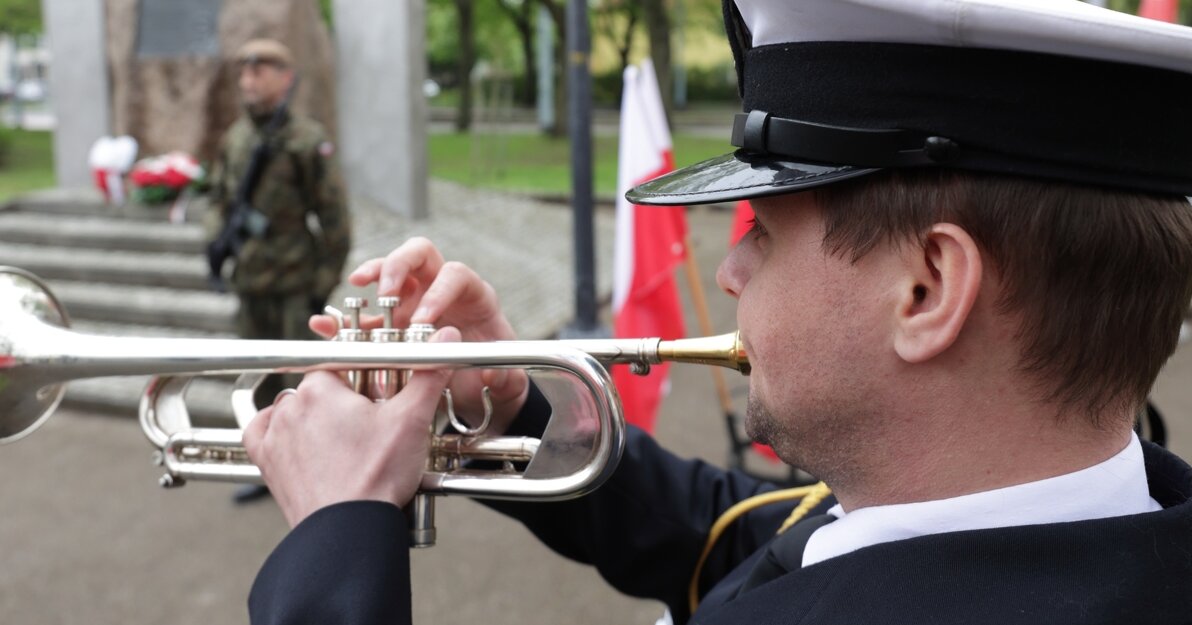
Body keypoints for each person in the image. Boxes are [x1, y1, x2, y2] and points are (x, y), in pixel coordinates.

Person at [241, 1, 1192, 623]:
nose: (730, 266)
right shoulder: (1101, 513)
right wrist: (519, 408)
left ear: (927, 289)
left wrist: (340, 534)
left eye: (766, 231)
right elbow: (745, 538)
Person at [207, 39, 352, 501]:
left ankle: (319, 475)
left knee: (305, 386)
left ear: (286, 77)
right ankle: (267, 470)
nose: (250, 78)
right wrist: (218, 240)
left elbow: (335, 219)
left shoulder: (306, 139)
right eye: (244, 70)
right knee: (258, 381)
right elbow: (218, 199)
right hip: (251, 281)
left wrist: (321, 284)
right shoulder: (236, 139)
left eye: (262, 68)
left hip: (295, 285)